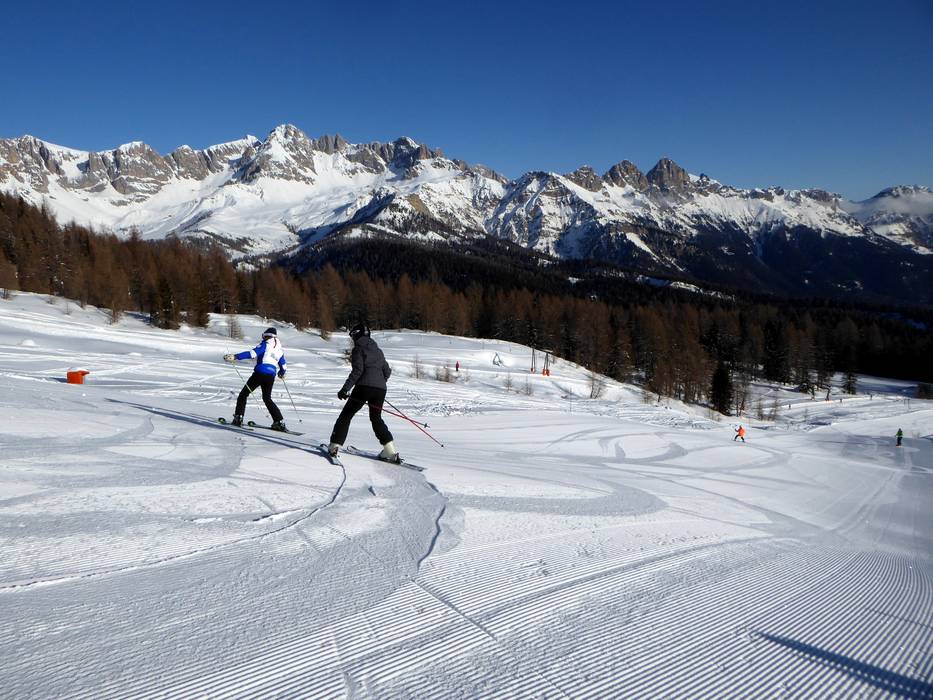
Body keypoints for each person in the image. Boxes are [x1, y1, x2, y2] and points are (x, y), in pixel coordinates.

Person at [328, 323, 400, 463]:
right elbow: (387, 371)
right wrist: (378, 382)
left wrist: (345, 389)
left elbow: (357, 371)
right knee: (376, 418)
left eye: (352, 335)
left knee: (346, 415)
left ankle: (334, 446)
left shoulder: (358, 349)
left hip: (363, 387)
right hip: (381, 389)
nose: (352, 338)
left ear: (357, 335)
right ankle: (390, 451)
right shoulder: (378, 350)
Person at [224, 327, 288, 430]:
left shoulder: (266, 344)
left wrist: (235, 357)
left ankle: (238, 418)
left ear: (267, 336)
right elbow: (283, 366)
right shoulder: (279, 350)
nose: (263, 338)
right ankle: (279, 422)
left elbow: (252, 354)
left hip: (260, 373)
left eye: (264, 336)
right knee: (267, 398)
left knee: (243, 394)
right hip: (270, 376)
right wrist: (281, 373)